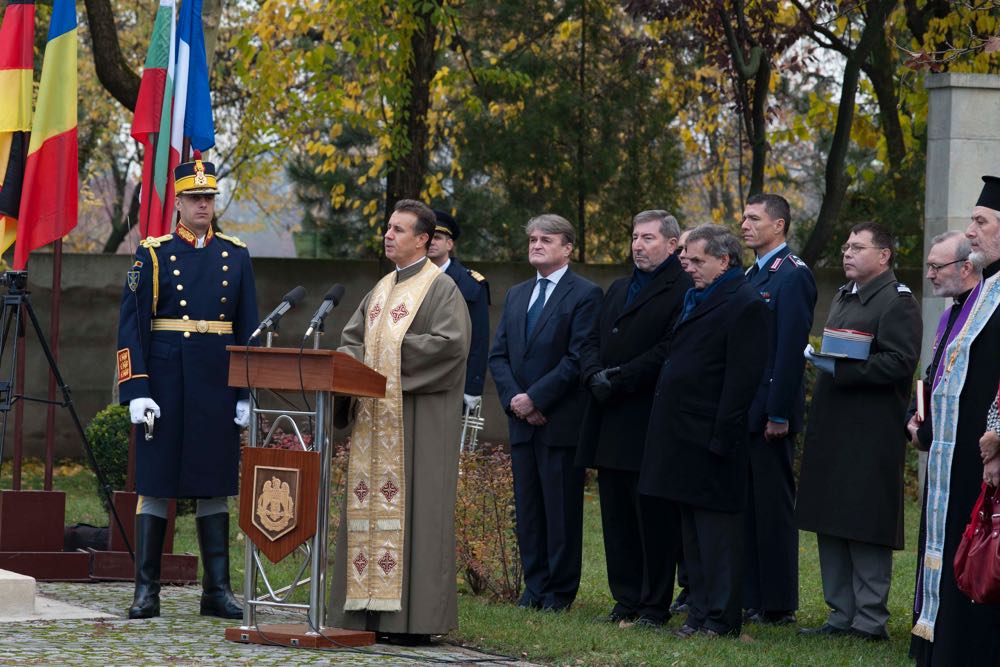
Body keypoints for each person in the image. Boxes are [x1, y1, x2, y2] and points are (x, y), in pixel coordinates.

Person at [116, 152, 259, 620]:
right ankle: (146, 591)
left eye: (209, 198)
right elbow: (131, 326)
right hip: (165, 377)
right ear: (178, 202)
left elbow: (248, 330)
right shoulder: (154, 254)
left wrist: (244, 392)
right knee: (156, 483)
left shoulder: (236, 256)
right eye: (195, 198)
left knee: (213, 482)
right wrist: (136, 388)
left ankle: (216, 591)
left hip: (216, 379)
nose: (203, 205)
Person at [327, 199, 471, 641]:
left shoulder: (440, 288)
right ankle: (363, 614)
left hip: (418, 423)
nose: (389, 235)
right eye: (388, 227)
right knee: (369, 511)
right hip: (375, 421)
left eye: (399, 230)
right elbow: (352, 341)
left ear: (424, 240)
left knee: (418, 513)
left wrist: (380, 358)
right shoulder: (381, 289)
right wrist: (357, 360)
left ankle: (413, 623)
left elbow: (450, 345)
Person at [639, 224, 769, 638]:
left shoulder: (744, 303)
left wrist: (721, 436)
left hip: (713, 437)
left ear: (724, 260)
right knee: (691, 535)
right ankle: (698, 613)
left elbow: (741, 380)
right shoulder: (697, 297)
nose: (687, 267)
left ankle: (721, 618)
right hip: (681, 436)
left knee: (718, 536)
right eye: (686, 259)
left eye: (697, 260)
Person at [796, 222, 921, 641]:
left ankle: (869, 621)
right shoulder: (844, 295)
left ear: (883, 256)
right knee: (830, 519)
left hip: (870, 433)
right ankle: (839, 615)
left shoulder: (897, 301)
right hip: (833, 427)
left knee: (864, 523)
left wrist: (845, 368)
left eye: (857, 247)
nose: (847, 253)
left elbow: (901, 362)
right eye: (846, 246)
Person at [575, 210, 692, 627]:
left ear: (673, 244)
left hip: (648, 417)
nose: (638, 245)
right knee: (617, 516)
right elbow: (590, 338)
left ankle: (653, 604)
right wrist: (591, 373)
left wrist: (621, 378)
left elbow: (669, 348)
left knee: (653, 518)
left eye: (648, 238)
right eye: (635, 237)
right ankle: (624, 598)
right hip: (609, 415)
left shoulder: (683, 289)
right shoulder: (619, 287)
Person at [489, 214, 602, 612]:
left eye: (546, 240)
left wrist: (537, 398)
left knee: (560, 511)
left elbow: (578, 358)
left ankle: (559, 592)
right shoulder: (518, 293)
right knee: (529, 511)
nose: (536, 245)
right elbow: (498, 354)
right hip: (522, 422)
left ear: (567, 247)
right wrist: (517, 401)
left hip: (560, 421)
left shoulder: (585, 294)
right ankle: (533, 588)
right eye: (533, 239)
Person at [910, 176, 1000, 665]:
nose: (971, 232)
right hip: (957, 454)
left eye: (981, 222)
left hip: (988, 454)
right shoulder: (983, 293)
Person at [739, 194, 817, 625]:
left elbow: (789, 352)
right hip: (746, 410)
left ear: (779, 225)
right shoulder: (753, 274)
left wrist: (779, 414)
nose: (744, 224)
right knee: (748, 507)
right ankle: (753, 594)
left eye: (754, 218)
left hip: (771, 412)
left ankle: (777, 602)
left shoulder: (792, 276)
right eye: (744, 217)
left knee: (771, 508)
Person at [904, 231, 980, 451]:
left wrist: (925, 433)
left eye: (936, 267)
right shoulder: (948, 314)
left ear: (965, 268)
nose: (929, 274)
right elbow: (933, 374)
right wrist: (914, 416)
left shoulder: (983, 315)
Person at [426, 210, 491, 414]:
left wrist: (472, 387)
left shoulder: (471, 284)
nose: (432, 243)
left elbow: (478, 339)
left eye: (438, 237)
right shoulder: (408, 279)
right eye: (428, 237)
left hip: (453, 379)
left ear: (450, 244)